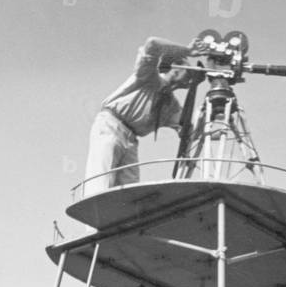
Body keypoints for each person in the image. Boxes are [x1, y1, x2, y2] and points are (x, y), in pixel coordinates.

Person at [83, 36, 203, 195]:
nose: (190, 76)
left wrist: (210, 115)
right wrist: (187, 50)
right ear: (175, 66)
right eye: (188, 69)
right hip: (111, 126)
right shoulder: (148, 76)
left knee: (130, 194)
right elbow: (153, 43)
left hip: (131, 140)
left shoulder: (171, 106)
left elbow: (191, 131)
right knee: (100, 184)